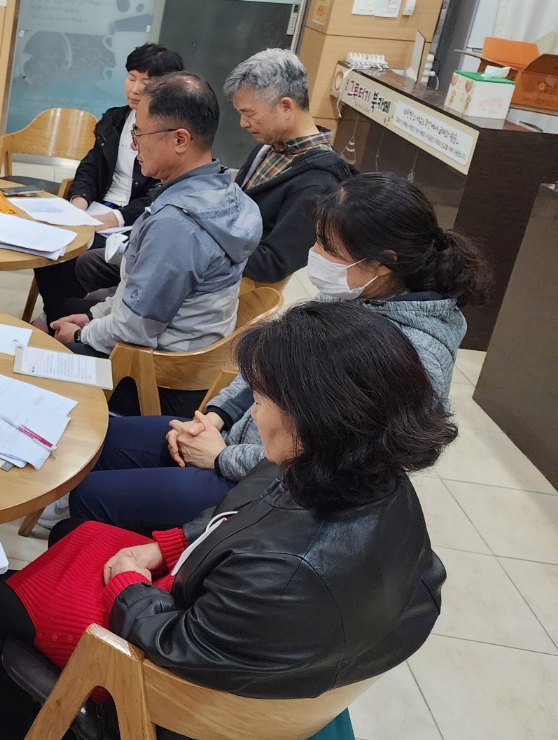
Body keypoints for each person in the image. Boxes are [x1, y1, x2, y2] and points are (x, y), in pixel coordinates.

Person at [0, 300, 457, 740]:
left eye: (263, 399)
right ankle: (50, 706)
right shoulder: (367, 478)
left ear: (313, 416)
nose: (252, 411)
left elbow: (178, 647)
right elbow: (238, 515)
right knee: (73, 534)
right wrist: (166, 545)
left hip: (178, 677)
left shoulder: (285, 569)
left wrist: (127, 586)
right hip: (235, 620)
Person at [69, 170, 488, 533]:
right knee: (99, 440)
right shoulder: (356, 295)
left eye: (328, 247)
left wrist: (221, 458)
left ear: (382, 262)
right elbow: (267, 368)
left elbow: (330, 464)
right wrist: (215, 416)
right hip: (236, 441)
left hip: (273, 491)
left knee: (90, 495)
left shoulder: (407, 354)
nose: (314, 257)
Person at [49, 72, 261, 416]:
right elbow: (138, 298)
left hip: (157, 378)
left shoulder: (177, 225)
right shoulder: (226, 191)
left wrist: (79, 336)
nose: (134, 145)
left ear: (180, 140)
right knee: (68, 312)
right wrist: (92, 318)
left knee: (37, 357)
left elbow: (134, 329)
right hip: (190, 367)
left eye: (140, 133)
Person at [33, 43, 184, 322]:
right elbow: (90, 168)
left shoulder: (169, 134)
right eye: (131, 78)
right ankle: (55, 316)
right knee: (46, 242)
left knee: (81, 253)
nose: (135, 89)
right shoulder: (114, 119)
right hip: (97, 209)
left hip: (135, 221)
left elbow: (161, 192)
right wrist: (78, 203)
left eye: (145, 82)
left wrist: (115, 218)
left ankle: (59, 319)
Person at [225, 48, 355, 284]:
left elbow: (274, 263)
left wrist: (208, 245)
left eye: (249, 113)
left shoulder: (318, 182)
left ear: (286, 106)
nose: (243, 123)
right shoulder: (269, 147)